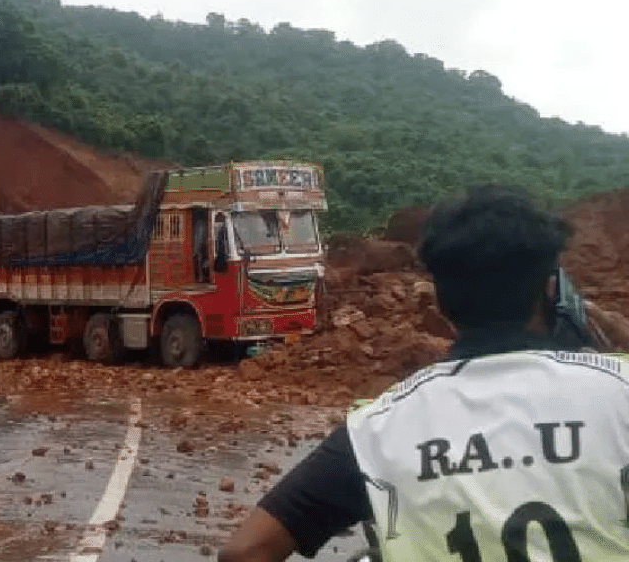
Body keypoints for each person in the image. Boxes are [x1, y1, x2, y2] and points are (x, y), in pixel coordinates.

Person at [219, 183, 629, 561]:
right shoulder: (619, 392)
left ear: (442, 301)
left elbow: (246, 550)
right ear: (551, 288)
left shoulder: (377, 429)